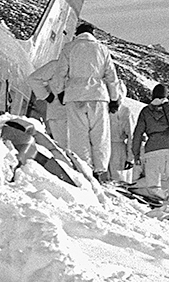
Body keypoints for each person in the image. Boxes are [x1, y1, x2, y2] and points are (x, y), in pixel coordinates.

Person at [52, 21, 122, 181]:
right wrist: (114, 99)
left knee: (79, 135)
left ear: (77, 33)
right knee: (100, 135)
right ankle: (99, 170)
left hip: (74, 95)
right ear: (93, 34)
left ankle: (84, 170)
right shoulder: (102, 49)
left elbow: (60, 72)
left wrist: (60, 91)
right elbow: (111, 76)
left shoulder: (69, 48)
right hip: (98, 95)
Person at [130, 83, 169, 210]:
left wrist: (136, 154)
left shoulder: (145, 111)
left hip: (152, 152)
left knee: (153, 184)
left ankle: (159, 202)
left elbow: (137, 133)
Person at [26, 58, 68, 143]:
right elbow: (33, 79)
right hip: (59, 115)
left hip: (79, 115)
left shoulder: (84, 69)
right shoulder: (56, 66)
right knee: (65, 147)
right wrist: (46, 96)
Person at [109, 96, 135, 184]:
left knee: (119, 181)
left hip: (119, 150)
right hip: (104, 146)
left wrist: (130, 158)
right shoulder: (103, 108)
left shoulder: (126, 112)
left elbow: (131, 136)